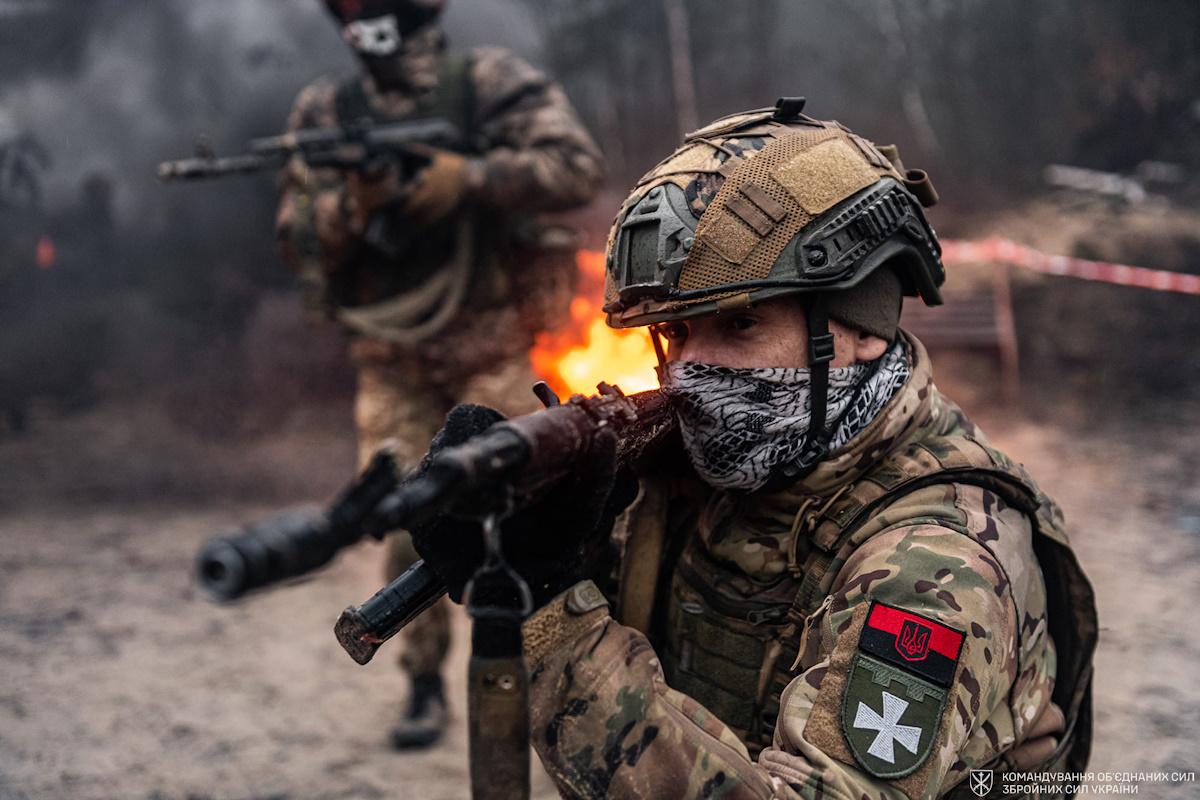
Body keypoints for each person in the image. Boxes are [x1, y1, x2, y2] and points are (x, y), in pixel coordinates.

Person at [412, 100, 1097, 797]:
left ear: (860, 327)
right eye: (677, 335)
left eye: (739, 325)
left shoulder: (934, 566)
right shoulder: (721, 469)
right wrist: (552, 550)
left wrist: (556, 622)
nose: (689, 373)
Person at [274, 0, 604, 749]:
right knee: (403, 520)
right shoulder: (327, 109)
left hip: (490, 349)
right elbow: (295, 237)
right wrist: (351, 209)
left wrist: (471, 177)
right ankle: (423, 684)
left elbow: (576, 166)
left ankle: (567, 677)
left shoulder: (489, 82)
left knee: (538, 516)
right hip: (392, 360)